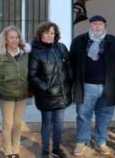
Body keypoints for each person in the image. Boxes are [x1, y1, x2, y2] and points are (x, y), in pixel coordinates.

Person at [70, 15, 115, 156]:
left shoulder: (114, 41)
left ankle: (101, 141)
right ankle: (82, 141)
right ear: (90, 25)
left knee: (104, 116)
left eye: (100, 24)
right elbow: (71, 62)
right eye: (94, 24)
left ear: (105, 26)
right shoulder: (79, 41)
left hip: (108, 86)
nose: (97, 26)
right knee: (83, 115)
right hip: (87, 86)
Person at [28, 22, 73, 158]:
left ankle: (56, 149)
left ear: (56, 35)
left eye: (52, 33)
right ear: (41, 34)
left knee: (59, 123)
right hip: (46, 95)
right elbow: (32, 75)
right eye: (46, 33)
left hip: (62, 94)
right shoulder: (36, 52)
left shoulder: (61, 48)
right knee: (47, 124)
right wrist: (45, 88)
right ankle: (45, 150)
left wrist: (69, 82)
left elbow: (69, 66)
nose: (49, 36)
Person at [0, 26, 30, 158]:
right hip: (6, 96)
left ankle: (16, 151)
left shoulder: (25, 55)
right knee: (8, 124)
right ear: (5, 39)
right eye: (11, 37)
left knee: (17, 124)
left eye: (17, 37)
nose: (14, 40)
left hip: (22, 95)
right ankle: (8, 152)